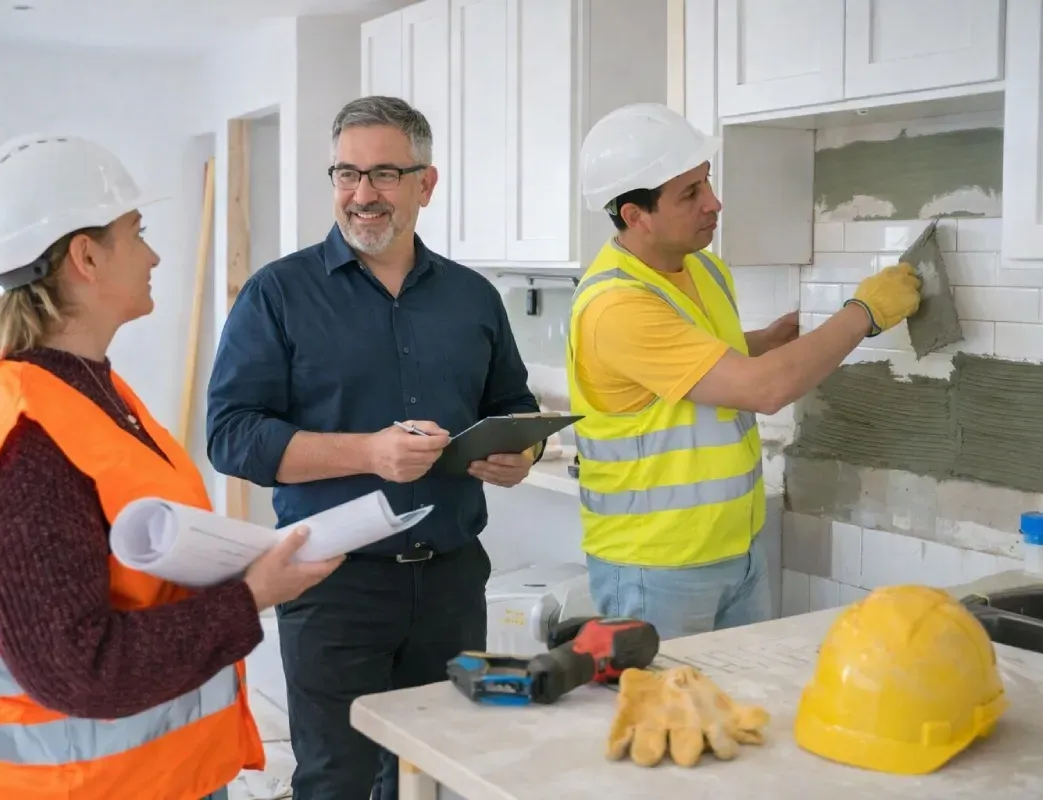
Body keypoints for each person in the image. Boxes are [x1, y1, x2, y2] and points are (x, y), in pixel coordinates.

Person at [0, 133, 342, 800]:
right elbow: (78, 668)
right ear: (86, 257)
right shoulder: (23, 438)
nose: (153, 254)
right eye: (137, 231)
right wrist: (250, 597)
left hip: (157, 778)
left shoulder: (91, 391)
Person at [205, 95, 543, 800]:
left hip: (452, 583)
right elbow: (231, 435)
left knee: (437, 772)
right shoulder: (277, 294)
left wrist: (521, 455)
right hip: (331, 585)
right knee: (337, 778)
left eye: (385, 174)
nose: (362, 195)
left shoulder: (473, 298)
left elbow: (513, 404)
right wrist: (368, 453)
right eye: (346, 174)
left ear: (426, 183)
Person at [566, 103, 922, 641]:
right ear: (634, 215)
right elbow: (765, 390)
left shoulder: (702, 266)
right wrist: (864, 314)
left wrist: (768, 341)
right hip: (657, 566)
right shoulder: (616, 304)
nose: (714, 203)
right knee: (666, 719)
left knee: (739, 716)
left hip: (738, 547)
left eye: (706, 182)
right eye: (690, 194)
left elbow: (696, 367)